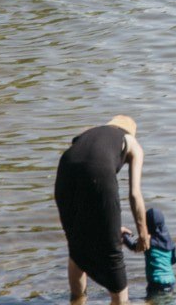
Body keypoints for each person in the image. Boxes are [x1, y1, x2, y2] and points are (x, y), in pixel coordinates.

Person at [53, 115, 149, 305]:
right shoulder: (132, 143)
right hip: (98, 172)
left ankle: (77, 300)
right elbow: (135, 194)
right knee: (114, 259)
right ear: (132, 132)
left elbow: (82, 169)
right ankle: (120, 300)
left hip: (64, 170)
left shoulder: (88, 133)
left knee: (77, 245)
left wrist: (108, 226)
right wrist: (143, 234)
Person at [143, 205, 176, 297]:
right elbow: (174, 260)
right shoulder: (170, 242)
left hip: (156, 282)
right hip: (170, 281)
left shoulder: (148, 241)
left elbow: (134, 246)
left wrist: (124, 236)